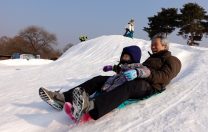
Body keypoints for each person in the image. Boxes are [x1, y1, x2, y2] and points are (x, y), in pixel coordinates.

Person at [39, 35, 182, 122]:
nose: (153, 47)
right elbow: (132, 69)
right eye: (151, 44)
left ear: (164, 45)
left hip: (150, 87)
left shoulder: (173, 60)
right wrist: (116, 69)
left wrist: (140, 73)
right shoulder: (150, 59)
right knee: (100, 79)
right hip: (140, 80)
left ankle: (91, 106)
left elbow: (164, 77)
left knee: (130, 86)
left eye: (155, 44)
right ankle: (62, 98)